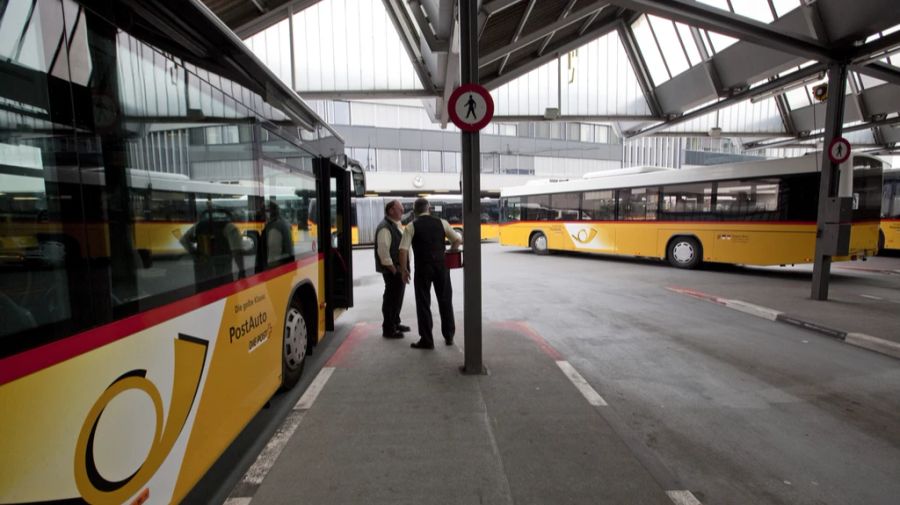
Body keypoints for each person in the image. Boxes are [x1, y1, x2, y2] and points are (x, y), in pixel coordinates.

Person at [398, 198, 462, 350]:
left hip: (422, 268)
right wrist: (449, 252)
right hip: (441, 266)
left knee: (423, 303)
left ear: (414, 211)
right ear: (429, 208)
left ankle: (427, 340)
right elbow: (457, 240)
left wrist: (404, 270)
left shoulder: (411, 226)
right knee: (445, 300)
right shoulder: (442, 223)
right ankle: (449, 336)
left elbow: (403, 250)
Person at [180, 201, 245, 291]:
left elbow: (184, 240)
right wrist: (242, 270)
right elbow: (237, 251)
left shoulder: (199, 225)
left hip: (202, 268)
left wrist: (194, 253)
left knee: (204, 293)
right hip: (223, 268)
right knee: (225, 292)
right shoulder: (230, 227)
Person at [375, 199, 409, 339]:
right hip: (392, 270)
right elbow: (383, 253)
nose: (402, 211)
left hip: (399, 270)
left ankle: (395, 322)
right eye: (400, 209)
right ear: (391, 211)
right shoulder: (385, 227)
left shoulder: (395, 224)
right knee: (391, 299)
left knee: (397, 298)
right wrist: (395, 271)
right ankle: (388, 329)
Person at [262, 201, 294, 266]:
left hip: (279, 269)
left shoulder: (275, 227)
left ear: (269, 213)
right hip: (287, 265)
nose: (260, 214)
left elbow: (273, 254)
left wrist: (269, 271)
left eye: (263, 211)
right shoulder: (282, 222)